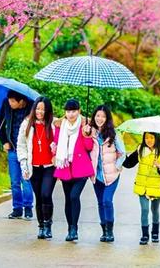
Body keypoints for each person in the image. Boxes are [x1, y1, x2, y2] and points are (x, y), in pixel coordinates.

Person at [53, 99, 96, 242]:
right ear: (65, 112)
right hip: (66, 166)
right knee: (67, 198)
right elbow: (57, 142)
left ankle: (74, 228)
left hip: (81, 168)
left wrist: (87, 134)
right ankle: (70, 228)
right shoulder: (60, 126)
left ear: (79, 111)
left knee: (73, 196)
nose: (71, 114)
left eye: (74, 111)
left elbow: (89, 147)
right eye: (68, 111)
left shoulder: (85, 125)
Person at [17, 97, 57, 239]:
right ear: (34, 109)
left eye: (43, 109)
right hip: (34, 167)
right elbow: (21, 146)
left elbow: (62, 140)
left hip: (50, 166)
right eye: (38, 108)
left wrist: (56, 149)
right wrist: (24, 164)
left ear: (48, 110)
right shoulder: (27, 124)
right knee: (39, 197)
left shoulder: (53, 124)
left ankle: (48, 225)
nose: (40, 111)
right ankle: (41, 226)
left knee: (46, 194)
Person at [123, 132, 160, 245]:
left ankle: (155, 232)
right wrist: (122, 153)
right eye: (146, 138)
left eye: (151, 137)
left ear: (156, 138)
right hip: (142, 186)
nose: (148, 140)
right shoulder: (140, 150)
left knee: (154, 210)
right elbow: (129, 164)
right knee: (144, 210)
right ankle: (145, 235)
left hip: (156, 186)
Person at [89, 105, 126, 243]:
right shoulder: (90, 133)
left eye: (103, 116)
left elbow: (122, 153)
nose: (100, 119)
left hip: (112, 175)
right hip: (97, 175)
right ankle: (104, 231)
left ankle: (110, 231)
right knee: (100, 202)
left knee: (106, 200)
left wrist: (117, 167)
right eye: (97, 116)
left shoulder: (114, 134)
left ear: (107, 118)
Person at [0, 90, 33, 219]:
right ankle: (17, 208)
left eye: (13, 101)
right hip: (12, 148)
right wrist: (4, 141)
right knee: (14, 181)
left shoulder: (31, 107)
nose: (10, 103)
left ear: (21, 101)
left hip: (27, 150)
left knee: (26, 179)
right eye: (9, 100)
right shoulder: (6, 104)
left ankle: (28, 207)